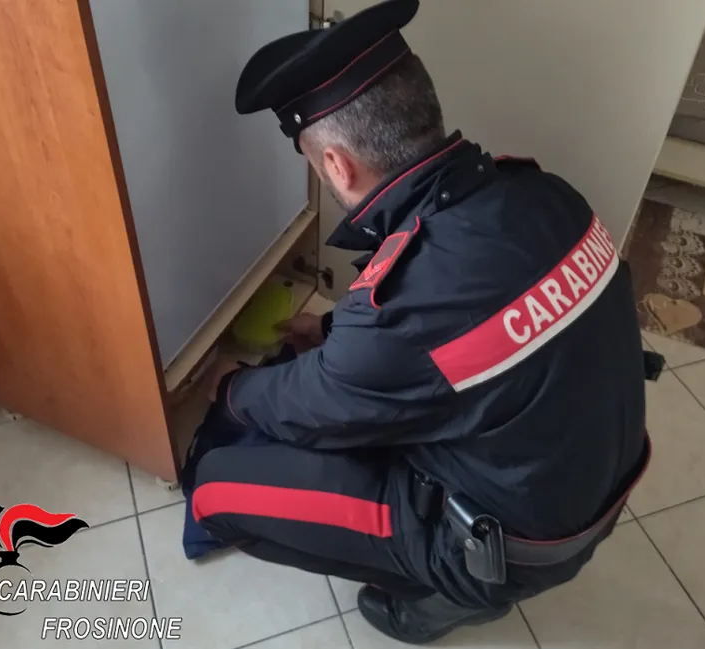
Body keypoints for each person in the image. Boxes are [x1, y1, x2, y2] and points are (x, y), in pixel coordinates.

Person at [196, 0, 651, 644]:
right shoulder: (545, 196)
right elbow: (443, 332)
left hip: (513, 546)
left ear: (336, 165)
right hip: (593, 481)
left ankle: (452, 597)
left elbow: (312, 407)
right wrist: (331, 334)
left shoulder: (407, 302)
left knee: (216, 492)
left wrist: (229, 388)